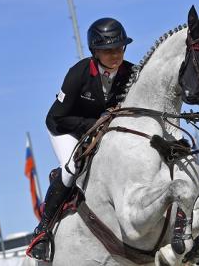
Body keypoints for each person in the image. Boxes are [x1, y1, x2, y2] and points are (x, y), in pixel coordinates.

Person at [26, 17, 135, 261]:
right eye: (108, 50)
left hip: (104, 131)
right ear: (95, 51)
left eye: (119, 48)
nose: (115, 55)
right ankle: (42, 231)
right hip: (64, 127)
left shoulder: (131, 73)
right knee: (72, 167)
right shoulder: (79, 73)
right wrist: (95, 125)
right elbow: (58, 117)